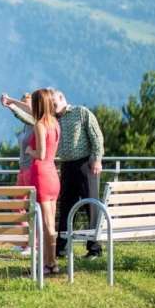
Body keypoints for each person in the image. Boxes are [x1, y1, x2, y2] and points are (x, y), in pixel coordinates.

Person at [52, 90, 105, 259]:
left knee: (92, 206)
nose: (52, 106)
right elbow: (31, 117)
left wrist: (97, 159)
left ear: (62, 98)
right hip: (67, 166)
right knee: (66, 207)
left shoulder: (81, 112)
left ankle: (94, 249)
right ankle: (62, 248)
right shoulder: (53, 119)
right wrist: (13, 106)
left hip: (86, 165)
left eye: (53, 103)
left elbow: (97, 137)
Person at [24, 88, 61, 274]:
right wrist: (13, 103)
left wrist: (29, 151)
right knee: (50, 222)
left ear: (38, 104)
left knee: (46, 223)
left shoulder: (40, 125)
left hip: (41, 175)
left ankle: (51, 263)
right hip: (53, 174)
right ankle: (49, 262)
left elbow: (41, 154)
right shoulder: (55, 123)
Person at [0, 92, 34, 256]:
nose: (24, 106)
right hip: (23, 169)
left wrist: (10, 104)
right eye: (23, 103)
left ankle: (32, 244)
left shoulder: (35, 121)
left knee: (31, 207)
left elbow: (25, 114)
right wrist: (11, 105)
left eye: (27, 104)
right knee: (17, 205)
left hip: (32, 169)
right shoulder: (25, 125)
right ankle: (25, 241)